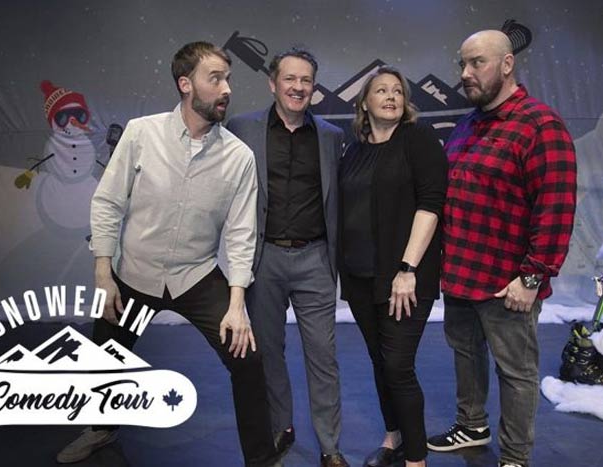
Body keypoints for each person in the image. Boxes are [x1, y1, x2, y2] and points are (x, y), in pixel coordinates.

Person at [56, 41, 284, 467]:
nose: (226, 89)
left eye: (228, 79)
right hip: (133, 271)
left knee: (248, 358)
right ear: (185, 84)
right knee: (102, 357)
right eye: (215, 78)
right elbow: (108, 203)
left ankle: (261, 460)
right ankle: (101, 429)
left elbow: (241, 234)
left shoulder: (239, 157)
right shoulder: (141, 134)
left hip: (195, 276)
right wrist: (104, 274)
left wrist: (237, 304)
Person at [426, 30, 577, 467]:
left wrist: (531, 277)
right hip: (461, 274)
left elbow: (556, 207)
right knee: (466, 355)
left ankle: (514, 456)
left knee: (516, 372)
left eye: (477, 63)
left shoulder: (540, 125)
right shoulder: (468, 124)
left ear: (507, 64)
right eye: (462, 64)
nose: (465, 73)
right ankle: (472, 425)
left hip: (507, 283)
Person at [226, 48, 348, 467]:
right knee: (268, 353)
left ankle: (330, 447)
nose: (298, 87)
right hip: (264, 260)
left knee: (323, 357)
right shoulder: (242, 128)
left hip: (315, 259)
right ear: (272, 83)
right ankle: (281, 428)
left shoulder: (331, 135)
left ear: (314, 87)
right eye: (290, 79)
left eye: (306, 80)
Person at [338, 67, 448, 467]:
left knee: (398, 366)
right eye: (381, 90)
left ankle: (415, 458)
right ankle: (393, 435)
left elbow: (431, 205)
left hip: (404, 278)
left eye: (398, 91)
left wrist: (407, 269)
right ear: (364, 103)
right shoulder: (355, 149)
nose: (391, 97)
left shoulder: (418, 139)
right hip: (359, 277)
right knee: (380, 361)